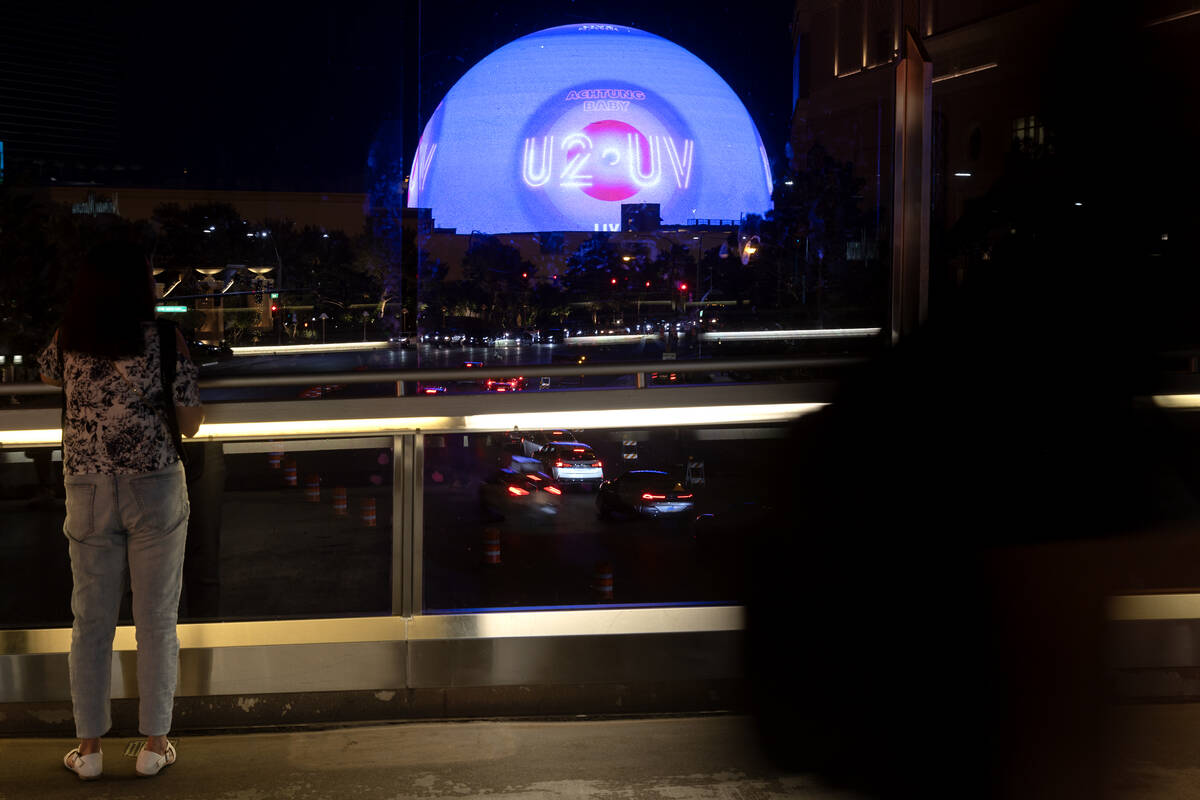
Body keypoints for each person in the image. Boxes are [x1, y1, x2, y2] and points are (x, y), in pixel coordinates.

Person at [38, 239, 204, 780]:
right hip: (153, 485)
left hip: (86, 487)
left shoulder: (68, 339)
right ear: (141, 286)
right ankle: (154, 745)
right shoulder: (160, 338)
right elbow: (190, 423)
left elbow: (46, 374)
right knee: (155, 619)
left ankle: (88, 751)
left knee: (91, 621)